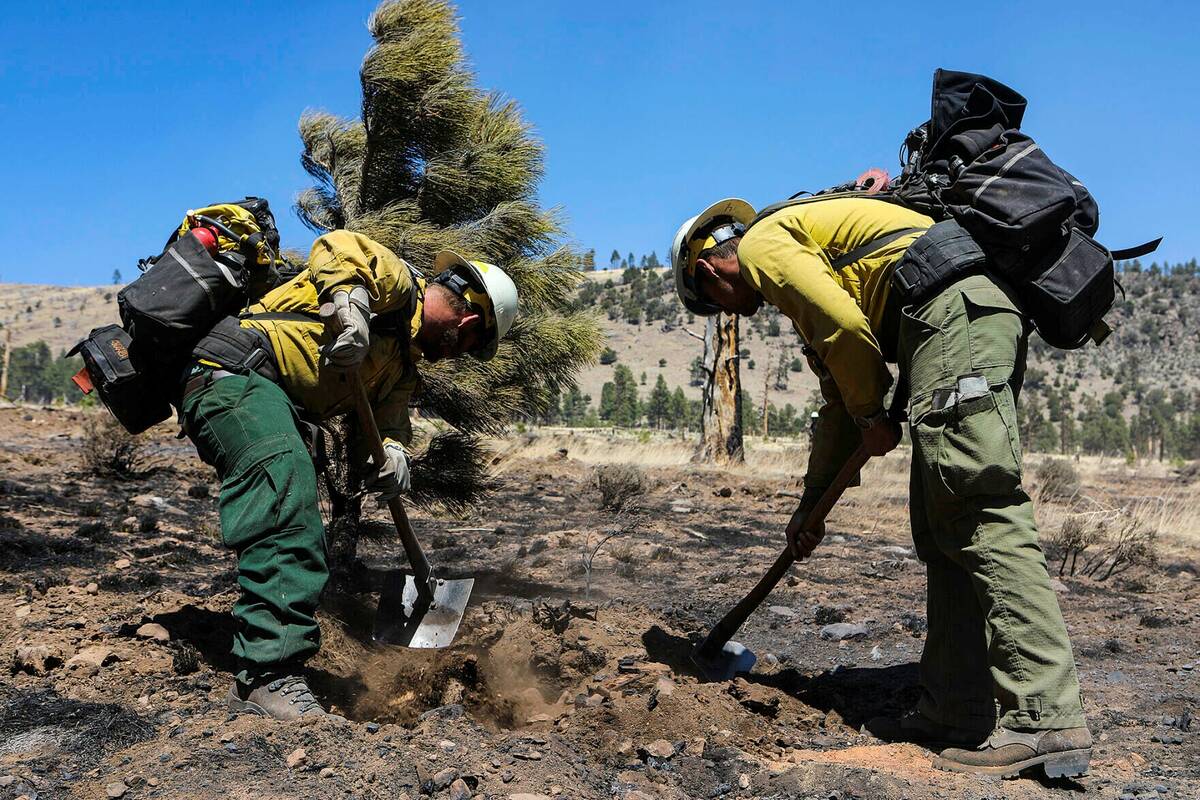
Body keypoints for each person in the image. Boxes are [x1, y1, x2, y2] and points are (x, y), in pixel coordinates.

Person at [669, 196, 1092, 779]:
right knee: (944, 531)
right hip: (945, 326)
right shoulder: (804, 259)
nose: (729, 315)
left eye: (714, 304)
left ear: (708, 270)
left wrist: (873, 415)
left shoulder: (765, 243)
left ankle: (1046, 716)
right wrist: (810, 507)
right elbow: (841, 402)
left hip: (954, 319)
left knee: (979, 512)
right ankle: (953, 713)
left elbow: (846, 334)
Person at [179, 231, 517, 720]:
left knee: (293, 491)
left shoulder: (401, 367)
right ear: (468, 321)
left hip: (269, 398)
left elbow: (385, 429)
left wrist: (394, 453)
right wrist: (351, 303)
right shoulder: (399, 285)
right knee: (285, 479)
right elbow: (337, 247)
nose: (458, 354)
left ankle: (275, 646)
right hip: (233, 374)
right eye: (469, 344)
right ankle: (267, 677)